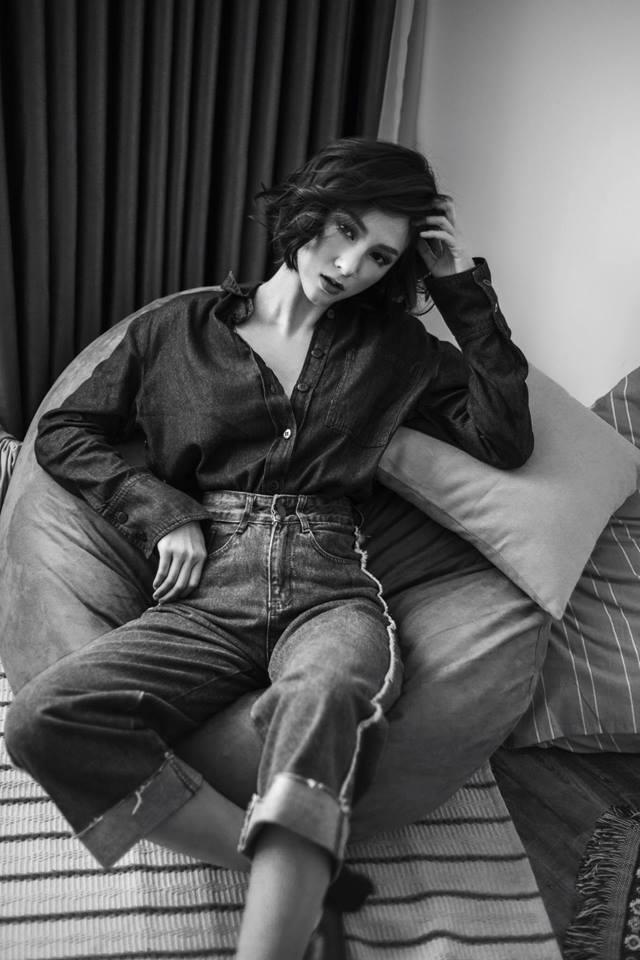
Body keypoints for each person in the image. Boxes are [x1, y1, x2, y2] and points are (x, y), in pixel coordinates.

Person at [4, 137, 533, 960]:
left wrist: (460, 289)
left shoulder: (395, 351)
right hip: (204, 594)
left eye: (380, 255)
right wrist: (160, 511)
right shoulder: (179, 331)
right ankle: (296, 874)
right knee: (43, 720)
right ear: (308, 211)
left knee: (322, 695)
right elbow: (68, 431)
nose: (350, 264)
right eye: (346, 229)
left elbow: (504, 437)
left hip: (331, 588)